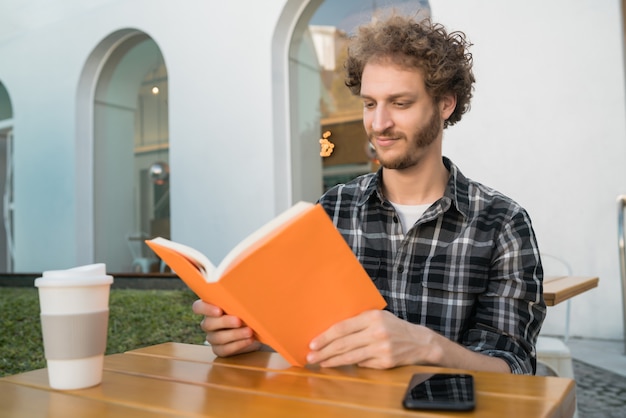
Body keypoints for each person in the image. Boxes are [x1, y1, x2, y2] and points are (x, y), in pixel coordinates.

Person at [193, 14, 546, 375]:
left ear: (445, 104)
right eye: (370, 104)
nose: (379, 124)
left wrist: (425, 346)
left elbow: (514, 369)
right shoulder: (332, 211)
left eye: (400, 103)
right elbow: (301, 341)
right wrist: (242, 338)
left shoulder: (502, 223)